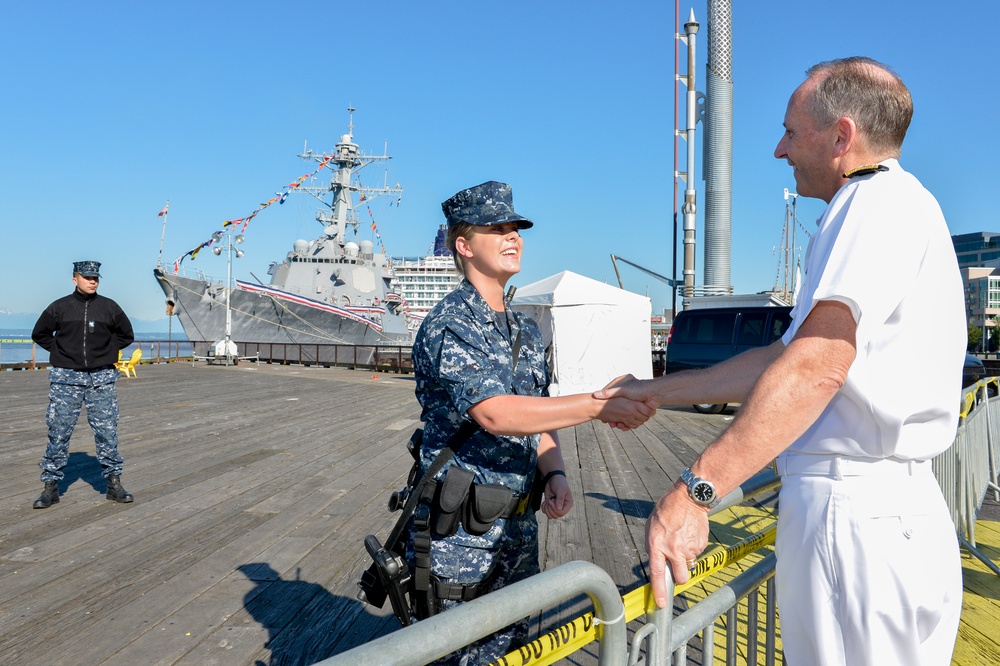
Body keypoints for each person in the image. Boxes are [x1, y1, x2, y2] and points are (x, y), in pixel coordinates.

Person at [597, 58, 965, 665]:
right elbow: (784, 356)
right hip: (891, 513)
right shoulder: (904, 206)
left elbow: (816, 368)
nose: (778, 150)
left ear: (842, 137)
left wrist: (696, 490)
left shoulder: (871, 204)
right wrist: (656, 391)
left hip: (855, 518)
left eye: (792, 133)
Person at [410, 181, 654, 664]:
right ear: (464, 245)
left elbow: (538, 410)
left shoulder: (521, 325)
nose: (513, 236)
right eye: (496, 228)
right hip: (460, 530)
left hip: (518, 523)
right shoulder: (450, 322)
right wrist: (599, 404)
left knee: (513, 646)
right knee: (457, 650)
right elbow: (496, 412)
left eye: (516, 228)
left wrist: (555, 471)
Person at [31, 260, 136, 508]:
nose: (93, 281)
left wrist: (105, 352)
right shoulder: (60, 307)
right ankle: (50, 487)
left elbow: (126, 335)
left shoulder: (109, 308)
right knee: (58, 432)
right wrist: (61, 352)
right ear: (74, 278)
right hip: (66, 378)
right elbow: (40, 334)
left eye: (96, 278)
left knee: (107, 432)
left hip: (101, 378)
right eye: (87, 277)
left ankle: (114, 483)